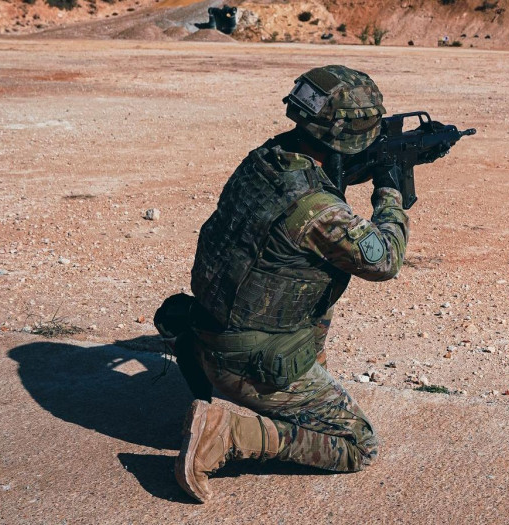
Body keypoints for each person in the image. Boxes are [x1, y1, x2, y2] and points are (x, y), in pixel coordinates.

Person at [172, 65, 408, 503]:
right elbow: (385, 260)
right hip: (244, 361)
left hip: (205, 328)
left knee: (315, 278)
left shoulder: (266, 158)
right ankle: (226, 434)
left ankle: (288, 389)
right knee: (358, 445)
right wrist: (390, 192)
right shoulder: (316, 208)